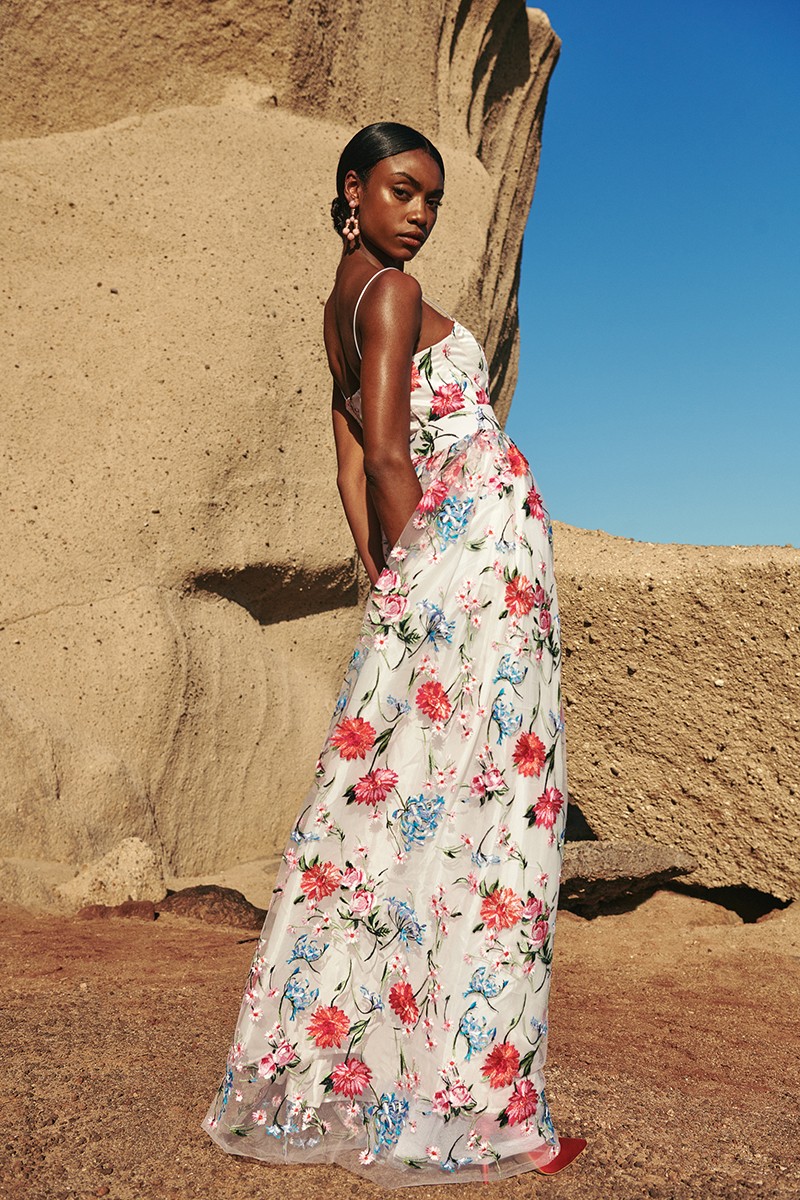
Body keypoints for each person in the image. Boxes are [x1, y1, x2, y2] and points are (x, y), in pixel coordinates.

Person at [201, 121, 586, 1186]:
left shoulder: (339, 306)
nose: (418, 212)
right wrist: (423, 585)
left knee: (408, 810)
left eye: (431, 201)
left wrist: (387, 578)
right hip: (472, 561)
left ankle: (381, 1076)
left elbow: (346, 472)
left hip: (442, 564)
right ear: (352, 188)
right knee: (492, 817)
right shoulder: (392, 297)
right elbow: (379, 452)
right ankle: (475, 1112)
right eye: (402, 190)